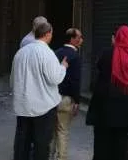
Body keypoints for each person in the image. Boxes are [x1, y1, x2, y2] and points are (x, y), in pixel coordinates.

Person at [86, 25, 128, 160]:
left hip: (106, 106)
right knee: (123, 144)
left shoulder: (107, 53)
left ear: (116, 37)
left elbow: (99, 66)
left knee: (102, 143)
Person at [10, 21, 68, 160]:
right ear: (47, 34)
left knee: (22, 141)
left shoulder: (20, 53)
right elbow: (55, 78)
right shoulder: (47, 53)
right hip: (43, 107)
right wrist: (63, 67)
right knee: (41, 143)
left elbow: (13, 80)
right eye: (51, 33)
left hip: (23, 106)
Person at [51, 28, 84, 160]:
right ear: (72, 39)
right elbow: (75, 81)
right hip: (66, 99)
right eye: (79, 37)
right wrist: (77, 101)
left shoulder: (56, 52)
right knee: (63, 131)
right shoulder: (75, 56)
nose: (81, 40)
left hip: (53, 97)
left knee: (52, 131)